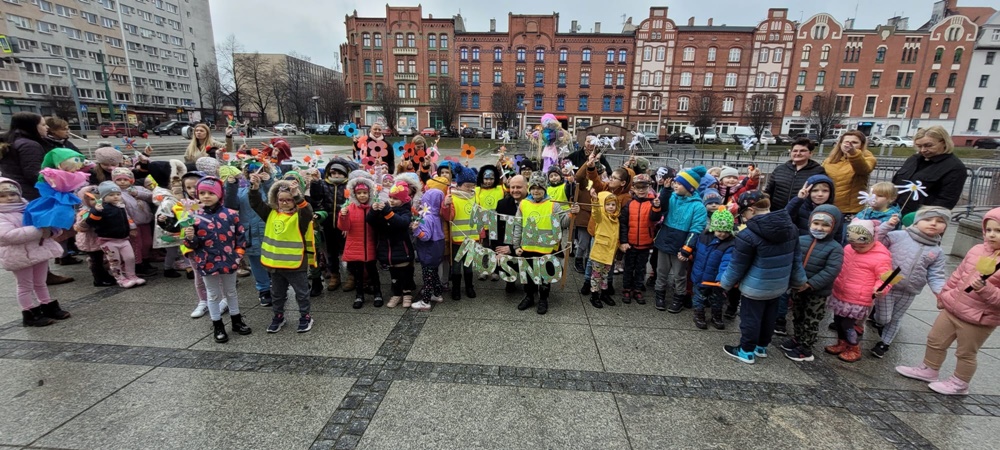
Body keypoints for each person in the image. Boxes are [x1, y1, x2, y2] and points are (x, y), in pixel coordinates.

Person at [896, 208, 1000, 395]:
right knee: (935, 340)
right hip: (953, 307)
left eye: (998, 231)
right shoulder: (977, 250)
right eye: (989, 229)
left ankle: (960, 382)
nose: (992, 235)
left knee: (966, 352)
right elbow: (958, 274)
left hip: (978, 317)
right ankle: (929, 368)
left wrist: (986, 289)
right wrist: (945, 294)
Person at [720, 196, 806, 364]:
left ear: (751, 210)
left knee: (750, 318)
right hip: (779, 285)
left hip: (755, 287)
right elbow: (796, 259)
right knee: (769, 317)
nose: (744, 219)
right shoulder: (791, 228)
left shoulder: (748, 235)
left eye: (743, 214)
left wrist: (725, 284)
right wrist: (799, 281)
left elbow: (737, 265)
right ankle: (761, 347)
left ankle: (746, 350)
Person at [870, 207, 949, 358]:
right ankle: (879, 322)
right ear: (917, 221)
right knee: (883, 318)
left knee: (895, 318)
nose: (933, 224)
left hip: (910, 291)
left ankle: (884, 344)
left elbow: (936, 274)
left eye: (940, 221)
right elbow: (876, 240)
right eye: (927, 219)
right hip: (888, 286)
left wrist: (940, 291)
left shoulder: (937, 251)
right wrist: (887, 225)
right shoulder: (899, 236)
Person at [183, 176, 250, 343]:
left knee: (231, 291)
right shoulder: (194, 216)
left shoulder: (230, 214)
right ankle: (217, 324)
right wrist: (190, 238)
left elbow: (240, 236)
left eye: (210, 193)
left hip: (229, 260)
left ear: (219, 195)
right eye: (202, 193)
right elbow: (192, 244)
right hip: (207, 261)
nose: (206, 196)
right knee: (213, 294)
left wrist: (238, 255)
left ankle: (236, 320)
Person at [0, 177, 71, 327]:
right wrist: (39, 230)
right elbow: (7, 236)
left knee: (40, 282)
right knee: (25, 285)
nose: (9, 198)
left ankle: (47, 305)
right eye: (3, 195)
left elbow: (46, 224)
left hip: (38, 251)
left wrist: (52, 229)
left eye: (13, 194)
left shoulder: (28, 208)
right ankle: (30, 312)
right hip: (18, 255)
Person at [249, 178, 316, 334]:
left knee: (301, 293)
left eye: (289, 200)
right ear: (275, 200)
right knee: (277, 294)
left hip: (295, 264)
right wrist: (254, 188)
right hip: (275, 264)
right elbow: (256, 204)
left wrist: (298, 196)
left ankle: (305, 316)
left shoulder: (299, 217)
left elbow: (307, 211)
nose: (285, 203)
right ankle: (278, 316)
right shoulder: (271, 214)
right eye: (281, 200)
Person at [780, 206, 844, 362]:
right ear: (810, 223)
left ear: (833, 227)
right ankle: (798, 338)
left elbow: (831, 271)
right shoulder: (801, 240)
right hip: (798, 287)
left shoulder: (835, 248)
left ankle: (806, 348)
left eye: (825, 225)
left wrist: (810, 284)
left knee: (811, 319)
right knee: (797, 315)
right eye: (816, 223)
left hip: (817, 292)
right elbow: (794, 261)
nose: (819, 228)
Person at [824, 219, 893, 363]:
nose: (856, 248)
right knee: (838, 321)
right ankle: (842, 342)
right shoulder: (848, 248)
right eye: (854, 245)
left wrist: (881, 288)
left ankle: (854, 347)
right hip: (841, 292)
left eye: (861, 246)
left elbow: (887, 277)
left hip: (858, 297)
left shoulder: (881, 256)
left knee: (848, 324)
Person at [512, 173, 575, 314]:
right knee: (528, 275)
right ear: (529, 189)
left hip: (547, 248)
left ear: (544, 189)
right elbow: (518, 225)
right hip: (527, 247)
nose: (536, 191)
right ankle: (529, 296)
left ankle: (543, 299)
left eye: (539, 188)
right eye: (533, 188)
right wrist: (516, 246)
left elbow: (563, 223)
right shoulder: (524, 204)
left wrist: (571, 214)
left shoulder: (553, 205)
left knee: (545, 276)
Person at [653, 166, 708, 313]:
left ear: (689, 187)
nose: (675, 185)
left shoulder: (698, 206)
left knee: (679, 274)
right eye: (675, 182)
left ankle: (679, 298)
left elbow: (696, 229)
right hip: (665, 239)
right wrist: (664, 191)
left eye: (679, 183)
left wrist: (687, 248)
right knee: (661, 271)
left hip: (680, 244)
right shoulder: (672, 197)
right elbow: (662, 206)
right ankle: (659, 295)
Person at [224, 160, 274, 306]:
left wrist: (268, 182)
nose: (255, 174)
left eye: (260, 170)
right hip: (251, 233)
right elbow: (230, 205)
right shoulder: (241, 192)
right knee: (257, 263)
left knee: (273, 260)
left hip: (270, 231)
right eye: (251, 171)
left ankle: (275, 285)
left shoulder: (269, 188)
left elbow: (276, 198)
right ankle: (264, 289)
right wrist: (231, 186)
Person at [892, 126, 968, 216]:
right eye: (919, 146)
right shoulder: (914, 159)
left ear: (943, 142)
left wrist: (923, 219)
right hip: (893, 214)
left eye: (928, 145)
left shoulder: (955, 167)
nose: (923, 150)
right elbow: (895, 184)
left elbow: (946, 201)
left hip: (921, 219)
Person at [87, 182, 146, 288]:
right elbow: (91, 222)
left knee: (130, 258)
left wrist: (131, 228)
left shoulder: (120, 206)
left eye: (118, 194)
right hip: (108, 240)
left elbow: (126, 219)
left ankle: (132, 276)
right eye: (111, 195)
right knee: (115, 261)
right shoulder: (101, 208)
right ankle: (120, 278)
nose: (115, 197)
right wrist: (96, 211)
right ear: (104, 197)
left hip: (123, 238)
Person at [368, 182, 416, 308]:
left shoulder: (405, 211)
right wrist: (373, 210)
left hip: (401, 248)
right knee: (393, 273)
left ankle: (407, 293)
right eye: (391, 197)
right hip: (387, 248)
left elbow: (401, 223)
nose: (392, 201)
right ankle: (396, 293)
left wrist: (387, 212)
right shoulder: (385, 210)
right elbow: (371, 221)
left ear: (404, 200)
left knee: (404, 273)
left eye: (396, 198)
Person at [338, 172, 382, 309]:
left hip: (369, 245)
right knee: (357, 273)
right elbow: (343, 227)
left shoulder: (373, 207)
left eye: (365, 192)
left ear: (369, 193)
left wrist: (378, 211)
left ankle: (377, 293)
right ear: (354, 195)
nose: (362, 195)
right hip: (355, 245)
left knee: (372, 271)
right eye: (359, 193)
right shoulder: (349, 208)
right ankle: (359, 295)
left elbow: (378, 225)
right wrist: (343, 216)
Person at [689, 207, 736, 330]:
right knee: (699, 297)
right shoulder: (704, 236)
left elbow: (726, 262)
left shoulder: (730, 244)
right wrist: (689, 254)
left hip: (716, 280)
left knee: (717, 299)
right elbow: (696, 251)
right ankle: (699, 314)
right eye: (719, 230)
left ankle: (716, 315)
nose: (722, 234)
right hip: (700, 274)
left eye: (726, 231)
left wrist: (722, 278)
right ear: (713, 228)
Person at [440, 163, 479, 300]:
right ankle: (456, 288)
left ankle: (469, 286)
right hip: (457, 239)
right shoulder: (452, 197)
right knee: (456, 266)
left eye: (472, 186)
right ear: (459, 184)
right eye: (467, 186)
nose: (470, 188)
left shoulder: (475, 196)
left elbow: (478, 216)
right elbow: (447, 217)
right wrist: (446, 204)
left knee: (468, 266)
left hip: (471, 238)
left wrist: (481, 234)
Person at [618, 173, 656, 305]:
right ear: (633, 188)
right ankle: (626, 289)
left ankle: (638, 289)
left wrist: (656, 208)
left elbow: (655, 218)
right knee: (628, 267)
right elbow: (623, 224)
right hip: (630, 243)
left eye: (644, 187)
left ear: (649, 188)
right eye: (638, 187)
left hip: (645, 243)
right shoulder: (629, 204)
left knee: (641, 268)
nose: (641, 190)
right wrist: (623, 241)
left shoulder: (652, 203)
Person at [822, 131, 877, 216]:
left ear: (861, 145)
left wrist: (853, 153)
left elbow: (863, 169)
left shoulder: (868, 158)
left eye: (854, 142)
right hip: (829, 207)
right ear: (840, 144)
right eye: (846, 142)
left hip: (850, 210)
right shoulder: (829, 160)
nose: (849, 145)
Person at [764, 138, 826, 212]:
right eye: (795, 151)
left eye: (802, 151)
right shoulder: (780, 169)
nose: (798, 153)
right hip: (778, 212)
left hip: (802, 215)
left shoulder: (818, 171)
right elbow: (768, 191)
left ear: (811, 153)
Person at [411, 189, 447, 311]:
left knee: (427, 277)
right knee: (434, 273)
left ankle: (425, 301)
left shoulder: (426, 217)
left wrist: (416, 230)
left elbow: (425, 237)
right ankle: (437, 294)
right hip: (437, 249)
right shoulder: (437, 216)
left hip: (428, 251)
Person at [588, 191, 620, 308]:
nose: (611, 207)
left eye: (613, 204)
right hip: (599, 252)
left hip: (609, 253)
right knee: (596, 275)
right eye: (608, 204)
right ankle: (594, 295)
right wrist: (595, 201)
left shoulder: (616, 219)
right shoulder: (601, 217)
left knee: (605, 274)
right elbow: (595, 213)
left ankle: (604, 293)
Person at [495, 175, 527, 293]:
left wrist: (513, 248)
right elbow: (497, 229)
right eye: (512, 187)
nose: (515, 190)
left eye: (519, 187)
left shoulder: (534, 205)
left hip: (528, 244)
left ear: (526, 187)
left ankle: (529, 282)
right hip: (507, 242)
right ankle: (510, 280)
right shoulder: (502, 204)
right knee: (502, 253)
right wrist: (498, 250)